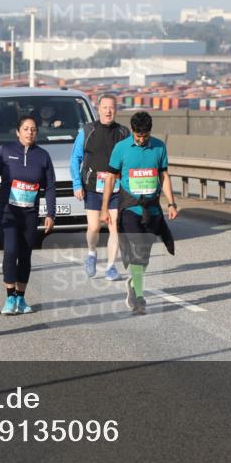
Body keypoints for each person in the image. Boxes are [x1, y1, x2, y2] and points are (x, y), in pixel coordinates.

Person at [100, 111, 178, 315]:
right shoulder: (121, 148)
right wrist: (104, 208)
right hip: (129, 208)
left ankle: (134, 284)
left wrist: (171, 203)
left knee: (144, 254)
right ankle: (139, 296)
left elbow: (164, 176)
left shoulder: (159, 147)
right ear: (132, 131)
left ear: (150, 132)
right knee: (136, 248)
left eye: (145, 136)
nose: (141, 140)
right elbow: (110, 178)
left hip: (151, 208)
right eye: (138, 136)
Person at [0, 115, 56, 315]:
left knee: (25, 254)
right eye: (26, 129)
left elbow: (49, 188)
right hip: (7, 211)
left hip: (30, 213)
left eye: (33, 129)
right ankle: (9, 296)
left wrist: (50, 213)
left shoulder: (43, 156)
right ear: (18, 132)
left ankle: (21, 298)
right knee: (11, 250)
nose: (30, 132)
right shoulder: (6, 151)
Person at [70, 94, 130, 281]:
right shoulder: (87, 131)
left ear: (116, 110)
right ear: (98, 109)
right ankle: (91, 253)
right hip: (93, 186)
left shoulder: (123, 133)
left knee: (115, 228)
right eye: (105, 107)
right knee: (94, 227)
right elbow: (75, 159)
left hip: (116, 188)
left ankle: (111, 267)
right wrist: (77, 184)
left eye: (111, 107)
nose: (108, 111)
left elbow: (129, 160)